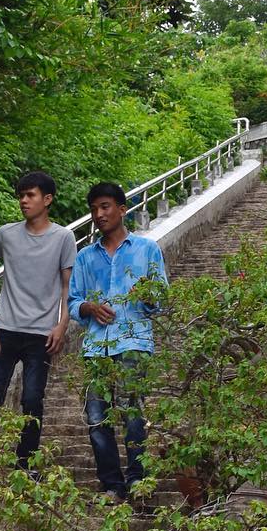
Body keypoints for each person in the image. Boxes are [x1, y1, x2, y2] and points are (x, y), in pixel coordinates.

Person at [0, 171, 77, 466]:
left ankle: (26, 463)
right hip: (5, 330)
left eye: (30, 195)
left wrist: (62, 326)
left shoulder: (63, 237)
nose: (24, 201)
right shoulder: (6, 234)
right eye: (21, 195)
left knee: (33, 399)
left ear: (47, 199)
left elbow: (67, 286)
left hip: (42, 334)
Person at [68, 183, 168, 500]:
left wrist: (147, 293)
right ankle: (111, 484)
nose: (100, 214)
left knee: (133, 411)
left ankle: (137, 478)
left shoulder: (147, 249)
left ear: (122, 209)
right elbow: (72, 302)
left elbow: (162, 301)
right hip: (97, 346)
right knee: (96, 416)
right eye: (95, 209)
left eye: (106, 206)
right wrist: (89, 307)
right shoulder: (85, 257)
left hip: (134, 342)